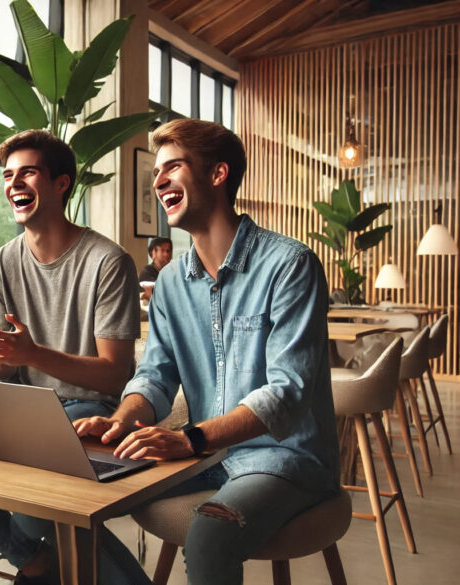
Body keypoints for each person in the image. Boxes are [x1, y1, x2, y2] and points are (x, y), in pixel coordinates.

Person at [74, 118, 340, 585]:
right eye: (157, 172)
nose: (158, 181)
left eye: (173, 167)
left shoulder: (290, 265)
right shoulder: (171, 283)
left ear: (217, 174)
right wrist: (122, 421)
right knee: (71, 497)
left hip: (284, 460)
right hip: (203, 457)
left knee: (210, 533)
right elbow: (154, 376)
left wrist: (188, 438)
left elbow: (287, 392)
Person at [0, 129, 142, 582]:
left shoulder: (108, 261)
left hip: (89, 410)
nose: (13, 184)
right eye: (8, 175)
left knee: (32, 501)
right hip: (23, 410)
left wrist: (31, 352)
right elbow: (2, 371)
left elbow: (113, 376)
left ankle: (32, 563)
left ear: (61, 183)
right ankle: (34, 561)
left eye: (27, 172)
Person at [138, 236, 172, 302]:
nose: (167, 254)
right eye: (162, 250)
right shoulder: (147, 272)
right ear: (153, 253)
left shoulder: (171, 270)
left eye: (168, 250)